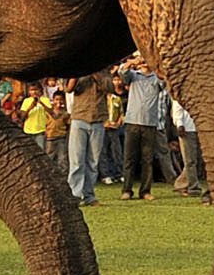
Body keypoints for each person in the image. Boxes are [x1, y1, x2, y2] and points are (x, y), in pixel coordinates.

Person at [119, 59, 168, 199]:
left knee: (147, 159)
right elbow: (122, 71)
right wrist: (134, 61)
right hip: (132, 122)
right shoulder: (134, 76)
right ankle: (126, 190)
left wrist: (155, 65)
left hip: (150, 123)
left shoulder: (156, 78)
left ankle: (145, 191)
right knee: (129, 158)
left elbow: (163, 82)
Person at [66, 71, 113, 207]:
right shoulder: (79, 70)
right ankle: (75, 195)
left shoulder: (105, 72)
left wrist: (96, 74)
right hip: (79, 117)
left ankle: (89, 196)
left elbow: (109, 88)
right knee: (77, 161)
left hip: (98, 119)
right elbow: (69, 88)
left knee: (93, 161)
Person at [171, 95, 211, 201]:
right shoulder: (182, 92)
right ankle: (193, 187)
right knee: (190, 160)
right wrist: (179, 124)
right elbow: (177, 107)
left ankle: (181, 183)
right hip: (187, 128)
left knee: (193, 160)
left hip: (196, 127)